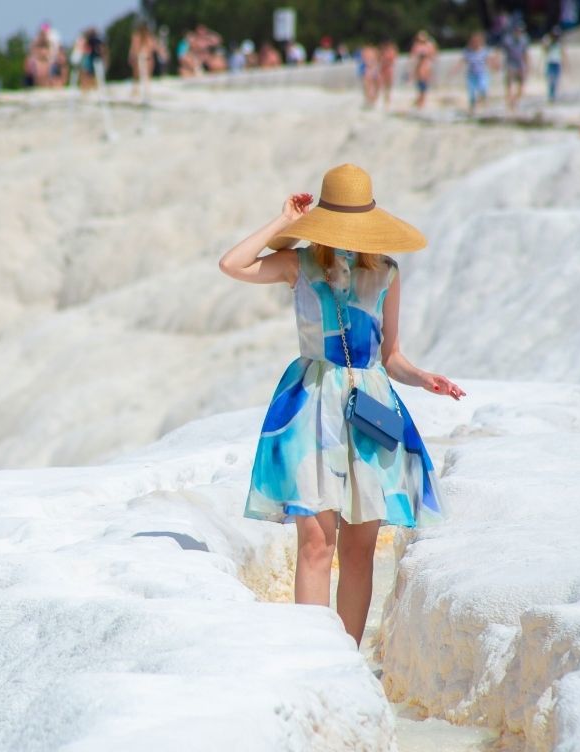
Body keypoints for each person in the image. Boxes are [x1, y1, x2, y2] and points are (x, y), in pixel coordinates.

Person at [218, 164, 461, 645]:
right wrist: (282, 224)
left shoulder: (387, 272)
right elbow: (233, 264)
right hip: (311, 404)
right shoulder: (299, 265)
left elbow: (390, 356)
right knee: (314, 541)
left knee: (359, 549)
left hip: (368, 407)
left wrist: (424, 378)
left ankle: (345, 660)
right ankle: (313, 658)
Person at [502, 23, 530, 112]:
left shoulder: (524, 40)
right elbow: (501, 51)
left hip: (520, 64)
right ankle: (510, 101)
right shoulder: (508, 40)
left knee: (521, 85)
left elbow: (525, 53)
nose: (519, 32)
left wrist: (527, 65)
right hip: (510, 64)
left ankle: (514, 101)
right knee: (509, 84)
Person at [463, 32, 493, 114]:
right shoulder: (468, 51)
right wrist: (454, 71)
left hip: (482, 74)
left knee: (483, 89)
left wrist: (494, 65)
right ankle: (472, 109)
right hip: (471, 75)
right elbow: (463, 61)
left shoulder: (484, 51)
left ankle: (482, 105)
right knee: (472, 93)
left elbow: (489, 60)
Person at [409, 31, 437, 109]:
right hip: (419, 66)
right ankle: (420, 100)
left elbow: (434, 55)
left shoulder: (429, 45)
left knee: (424, 84)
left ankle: (422, 100)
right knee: (420, 84)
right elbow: (412, 56)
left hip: (426, 66)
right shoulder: (416, 45)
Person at [130, 21, 157, 97]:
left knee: (144, 77)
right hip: (142, 57)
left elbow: (152, 48)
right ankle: (138, 91)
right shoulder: (138, 36)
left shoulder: (148, 37)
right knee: (138, 77)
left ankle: (143, 91)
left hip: (145, 57)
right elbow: (134, 49)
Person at [543, 28, 565, 104]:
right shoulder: (550, 44)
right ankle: (550, 96)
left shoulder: (559, 44)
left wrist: (565, 64)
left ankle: (553, 96)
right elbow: (544, 50)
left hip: (557, 64)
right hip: (550, 63)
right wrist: (547, 41)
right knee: (550, 81)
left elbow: (563, 53)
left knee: (556, 81)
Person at [378, 40, 398, 108]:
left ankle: (387, 98)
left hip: (388, 69)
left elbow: (392, 60)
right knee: (384, 84)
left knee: (388, 85)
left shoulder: (390, 51)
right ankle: (385, 98)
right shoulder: (383, 51)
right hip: (384, 69)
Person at [359, 44, 380, 108]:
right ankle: (370, 100)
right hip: (370, 70)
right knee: (369, 86)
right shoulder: (371, 52)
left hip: (371, 71)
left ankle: (371, 100)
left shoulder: (371, 52)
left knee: (370, 86)